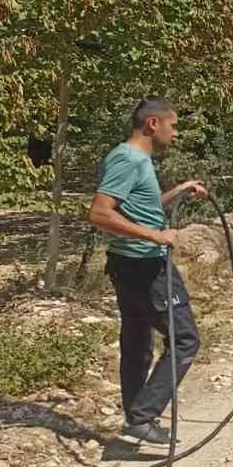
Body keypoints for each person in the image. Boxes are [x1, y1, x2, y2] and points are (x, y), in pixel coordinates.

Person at [86, 97, 206, 446]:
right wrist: (156, 235)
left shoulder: (137, 160)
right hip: (146, 265)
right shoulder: (128, 158)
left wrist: (181, 190)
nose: (176, 133)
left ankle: (136, 419)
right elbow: (99, 213)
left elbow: (144, 207)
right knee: (184, 340)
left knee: (138, 342)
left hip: (130, 264)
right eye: (174, 125)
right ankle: (142, 416)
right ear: (153, 124)